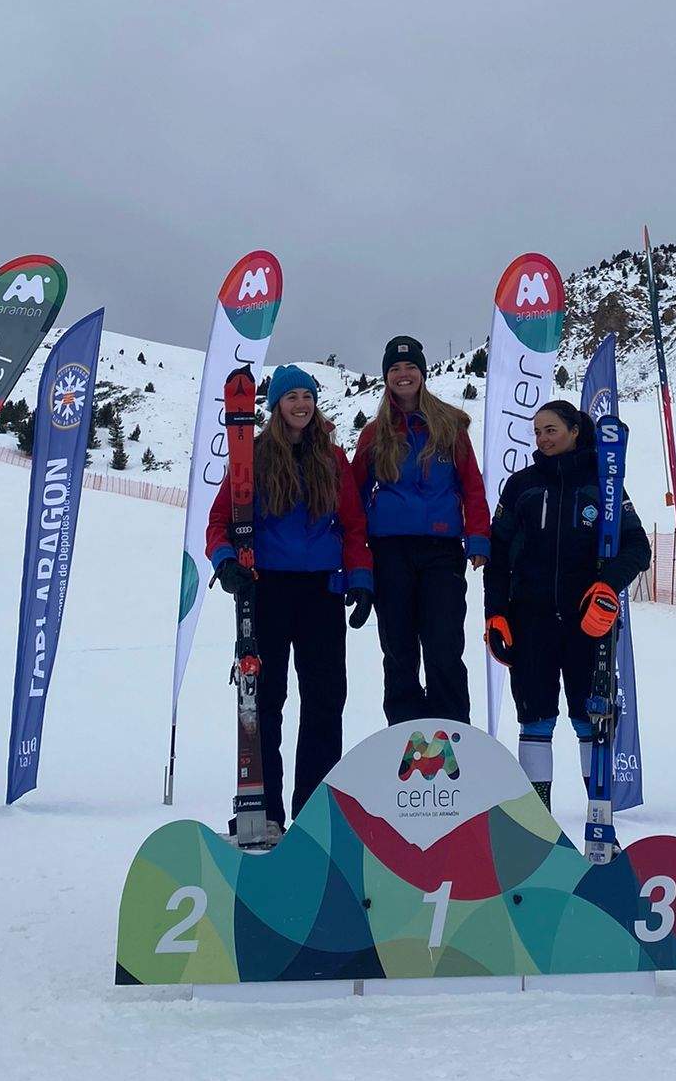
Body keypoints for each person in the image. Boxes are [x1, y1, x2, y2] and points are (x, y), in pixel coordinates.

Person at [206, 365, 373, 837]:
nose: (301, 404)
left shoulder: (333, 459)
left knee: (325, 700)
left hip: (322, 589)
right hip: (268, 588)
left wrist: (360, 579)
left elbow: (354, 526)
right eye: (291, 396)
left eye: (308, 395)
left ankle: (315, 806)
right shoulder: (253, 457)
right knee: (266, 700)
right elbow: (219, 522)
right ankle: (265, 806)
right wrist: (225, 561)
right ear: (276, 404)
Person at [483, 400, 651, 811]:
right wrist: (496, 613)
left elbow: (637, 546)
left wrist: (607, 588)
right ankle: (538, 819)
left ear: (575, 431)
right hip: (531, 621)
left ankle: (600, 814)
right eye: (537, 431)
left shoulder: (604, 484)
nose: (542, 438)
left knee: (588, 718)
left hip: (587, 623)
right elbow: (498, 554)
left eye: (551, 429)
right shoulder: (521, 486)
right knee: (535, 718)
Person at [351, 336, 489, 725]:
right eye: (394, 368)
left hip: (441, 550)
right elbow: (352, 497)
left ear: (423, 373)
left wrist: (478, 536)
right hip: (389, 550)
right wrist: (354, 555)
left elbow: (471, 485)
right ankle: (406, 735)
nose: (403, 374)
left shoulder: (449, 427)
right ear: (386, 378)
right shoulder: (374, 434)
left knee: (444, 645)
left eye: (410, 366)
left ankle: (451, 734)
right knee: (398, 647)